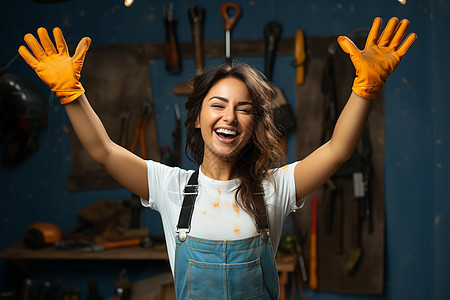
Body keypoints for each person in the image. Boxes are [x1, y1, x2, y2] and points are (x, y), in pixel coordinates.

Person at [18, 17, 416, 299]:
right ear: (196, 117)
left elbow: (337, 150)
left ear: (255, 122)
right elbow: (103, 150)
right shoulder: (170, 187)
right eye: (218, 105)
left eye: (244, 108)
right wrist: (71, 94)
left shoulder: (273, 188)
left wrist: (365, 89)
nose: (229, 117)